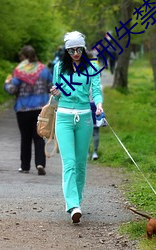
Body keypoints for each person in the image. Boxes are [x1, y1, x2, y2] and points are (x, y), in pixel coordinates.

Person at [50, 31, 103, 223]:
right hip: (63, 117)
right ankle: (72, 205)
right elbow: (56, 95)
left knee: (81, 164)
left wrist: (98, 104)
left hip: (85, 118)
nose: (75, 53)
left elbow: (96, 91)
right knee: (69, 163)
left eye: (78, 49)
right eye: (71, 50)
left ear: (83, 48)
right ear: (66, 50)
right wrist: (55, 92)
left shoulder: (92, 67)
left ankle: (77, 201)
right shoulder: (59, 67)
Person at [4, 45, 53, 175]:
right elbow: (51, 87)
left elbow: (12, 90)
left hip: (23, 109)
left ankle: (25, 166)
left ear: (23, 57)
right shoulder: (44, 70)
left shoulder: (19, 71)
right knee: (39, 137)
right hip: (40, 109)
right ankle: (40, 163)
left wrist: (7, 83)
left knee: (25, 138)